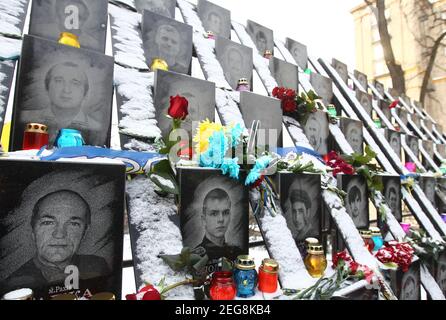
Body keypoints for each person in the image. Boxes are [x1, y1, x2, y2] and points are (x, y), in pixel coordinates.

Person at [3, 190, 110, 291]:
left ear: (84, 233)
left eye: (73, 224)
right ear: (33, 230)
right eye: (48, 222)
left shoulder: (98, 265)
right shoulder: (12, 285)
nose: (59, 235)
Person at [20, 61, 102, 146]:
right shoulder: (25, 118)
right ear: (46, 87)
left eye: (75, 83)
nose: (66, 90)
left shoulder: (97, 127)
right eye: (59, 81)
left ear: (85, 92)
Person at [195, 188, 243, 261]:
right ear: (204, 219)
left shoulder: (239, 254)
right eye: (214, 213)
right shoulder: (195, 257)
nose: (221, 219)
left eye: (226, 212)